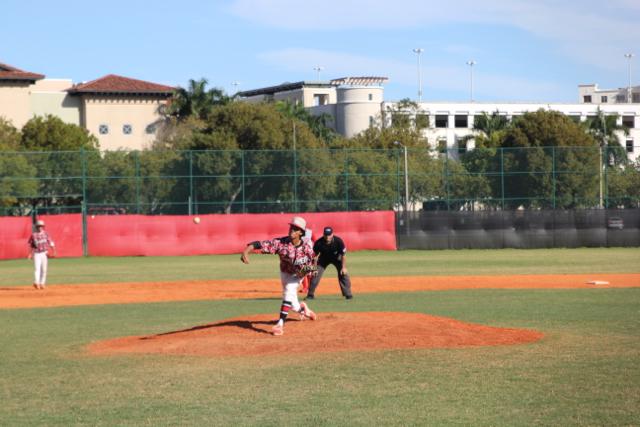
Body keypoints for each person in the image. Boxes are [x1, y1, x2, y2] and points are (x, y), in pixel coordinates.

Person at [240, 216, 317, 336]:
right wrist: (246, 251)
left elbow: (313, 264)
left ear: (300, 232)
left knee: (289, 290)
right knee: (292, 303)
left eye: (295, 228)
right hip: (285, 273)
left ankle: (280, 324)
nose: (291, 230)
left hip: (298, 275)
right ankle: (303, 310)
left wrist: (305, 272)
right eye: (291, 227)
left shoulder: (306, 248)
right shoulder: (281, 244)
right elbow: (260, 244)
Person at [307, 226, 353, 300]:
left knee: (343, 273)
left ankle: (348, 294)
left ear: (332, 234)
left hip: (336, 258)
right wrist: (314, 268)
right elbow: (315, 256)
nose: (327, 237)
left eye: (329, 234)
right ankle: (310, 294)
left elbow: (343, 255)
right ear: (323, 234)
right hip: (323, 259)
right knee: (315, 273)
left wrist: (343, 268)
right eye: (326, 235)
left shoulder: (338, 241)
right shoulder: (318, 243)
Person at [27, 219, 56, 290]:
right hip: (37, 253)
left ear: (43, 227)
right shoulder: (33, 235)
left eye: (41, 226)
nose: (40, 227)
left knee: (44, 269)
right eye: (38, 226)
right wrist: (30, 254)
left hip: (44, 253)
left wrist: (54, 251)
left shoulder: (46, 234)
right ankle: (36, 282)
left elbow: (51, 242)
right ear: (36, 227)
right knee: (37, 269)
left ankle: (42, 283)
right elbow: (31, 245)